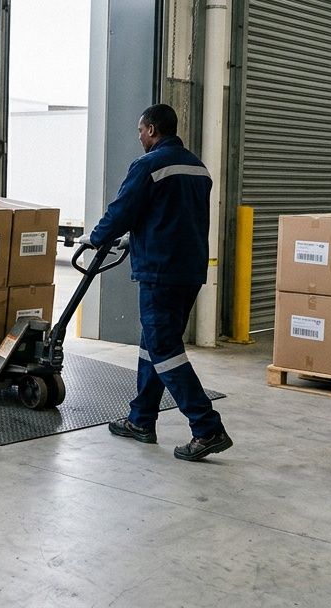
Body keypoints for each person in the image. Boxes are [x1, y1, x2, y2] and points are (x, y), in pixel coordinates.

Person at [85, 104, 231, 461]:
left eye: (140, 130)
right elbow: (172, 217)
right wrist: (131, 240)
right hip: (190, 269)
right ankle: (141, 420)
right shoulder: (198, 166)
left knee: (165, 350)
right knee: (154, 345)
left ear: (151, 129)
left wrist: (98, 236)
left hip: (160, 273)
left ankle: (207, 427)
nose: (139, 137)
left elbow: (124, 208)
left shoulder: (148, 165)